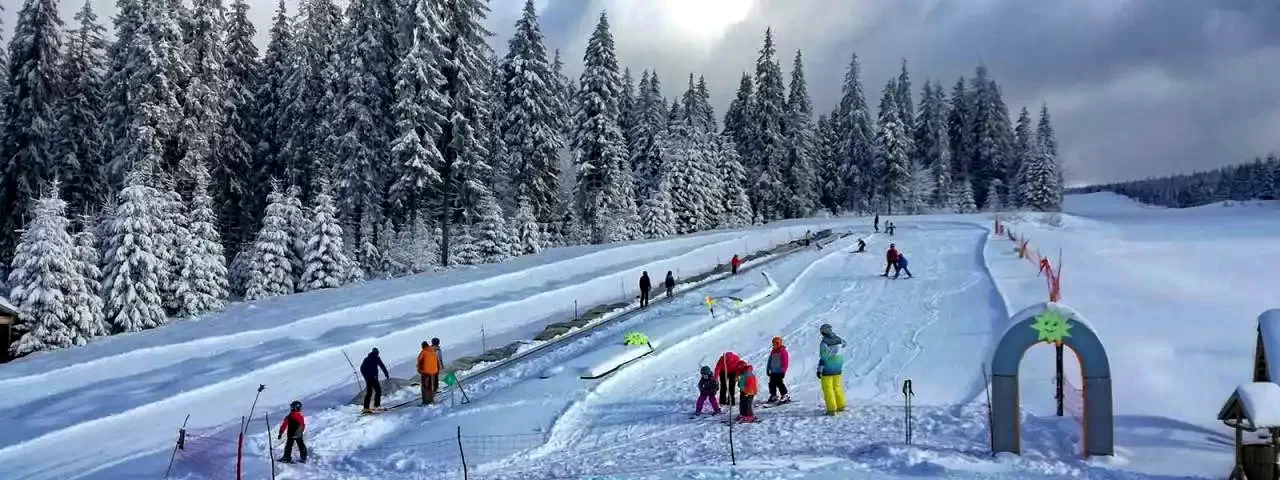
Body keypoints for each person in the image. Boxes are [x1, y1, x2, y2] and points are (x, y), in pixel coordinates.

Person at [817, 324, 847, 416]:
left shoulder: (824, 343)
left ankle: (831, 409)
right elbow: (845, 344)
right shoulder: (839, 339)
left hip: (828, 369)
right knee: (837, 387)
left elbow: (823, 358)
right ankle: (841, 406)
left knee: (828, 389)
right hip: (838, 367)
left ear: (823, 332)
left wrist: (819, 370)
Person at [360, 347, 391, 413]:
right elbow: (382, 366)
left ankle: (366, 408)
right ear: (377, 353)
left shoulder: (366, 359)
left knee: (369, 392)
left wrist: (366, 377)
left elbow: (361, 368)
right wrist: (386, 373)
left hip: (369, 378)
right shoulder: (376, 358)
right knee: (378, 390)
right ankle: (376, 405)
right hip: (373, 378)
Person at [766, 336, 790, 404]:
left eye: (775, 344)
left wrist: (783, 371)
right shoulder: (773, 351)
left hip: (780, 371)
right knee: (771, 384)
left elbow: (785, 362)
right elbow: (769, 361)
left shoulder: (783, 351)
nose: (774, 345)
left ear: (779, 343)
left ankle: (785, 395)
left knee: (779, 383)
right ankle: (773, 395)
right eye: (773, 344)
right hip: (773, 371)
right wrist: (768, 369)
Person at [417, 340, 442, 405]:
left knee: (425, 387)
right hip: (434, 371)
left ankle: (426, 401)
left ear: (423, 347)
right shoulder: (433, 351)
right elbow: (437, 361)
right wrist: (437, 369)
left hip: (425, 372)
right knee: (431, 386)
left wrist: (419, 369)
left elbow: (419, 360)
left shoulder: (424, 351)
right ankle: (431, 399)